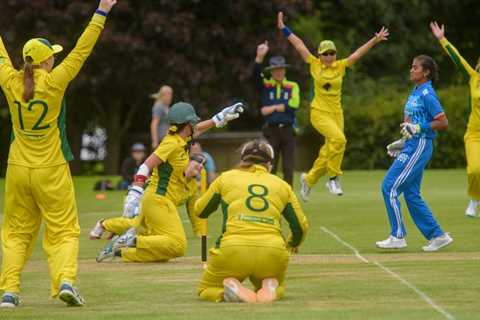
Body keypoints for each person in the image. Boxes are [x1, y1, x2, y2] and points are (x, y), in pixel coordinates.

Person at [0, 0, 117, 308]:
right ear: (46, 62)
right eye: (52, 55)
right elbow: (81, 49)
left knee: (15, 233)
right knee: (64, 230)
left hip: (17, 168)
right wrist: (102, 10)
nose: (55, 58)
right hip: (50, 168)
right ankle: (65, 281)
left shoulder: (10, 80)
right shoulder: (55, 81)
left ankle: (9, 292)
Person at [89, 101, 243, 262]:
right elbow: (145, 166)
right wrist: (135, 192)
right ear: (188, 124)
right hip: (157, 200)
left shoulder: (183, 138)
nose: (195, 125)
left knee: (165, 252)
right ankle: (131, 240)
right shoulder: (171, 142)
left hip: (160, 201)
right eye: (193, 122)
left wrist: (219, 117)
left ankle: (121, 252)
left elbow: (198, 129)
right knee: (178, 245)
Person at [277, 12, 389, 200]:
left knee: (329, 150)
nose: (329, 57)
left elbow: (357, 54)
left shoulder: (341, 66)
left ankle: (309, 179)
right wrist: (284, 29)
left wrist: (375, 40)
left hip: (337, 113)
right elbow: (299, 45)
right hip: (319, 112)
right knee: (340, 140)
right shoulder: (313, 64)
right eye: (325, 54)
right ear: (319, 55)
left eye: (332, 53)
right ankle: (333, 178)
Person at [194, 139, 309, 303]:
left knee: (206, 289)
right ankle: (270, 286)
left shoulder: (225, 178)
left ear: (242, 159)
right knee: (279, 285)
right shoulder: (282, 185)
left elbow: (201, 210)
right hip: (272, 251)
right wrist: (292, 243)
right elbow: (300, 226)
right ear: (270, 163)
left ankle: (228, 291)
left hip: (233, 250)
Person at [376, 55, 453, 252]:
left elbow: (442, 122)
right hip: (412, 144)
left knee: (389, 187)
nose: (411, 70)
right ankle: (438, 236)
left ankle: (398, 236)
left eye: (415, 67)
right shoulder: (416, 91)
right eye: (411, 67)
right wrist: (403, 141)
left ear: (426, 72)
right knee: (411, 194)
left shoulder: (427, 93)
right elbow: (410, 122)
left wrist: (418, 129)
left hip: (420, 145)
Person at [430, 22, 480, 218]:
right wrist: (442, 39)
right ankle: (475, 199)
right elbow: (457, 58)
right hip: (474, 134)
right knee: (475, 170)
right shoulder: (473, 78)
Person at [253, 41, 300, 186]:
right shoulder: (267, 85)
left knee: (288, 168)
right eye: (275, 69)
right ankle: (270, 195)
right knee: (270, 165)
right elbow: (255, 77)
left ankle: (288, 197)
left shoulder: (292, 86)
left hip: (288, 130)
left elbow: (294, 105)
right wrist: (259, 57)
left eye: (281, 69)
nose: (278, 72)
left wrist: (272, 108)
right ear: (271, 72)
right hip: (271, 130)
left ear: (285, 70)